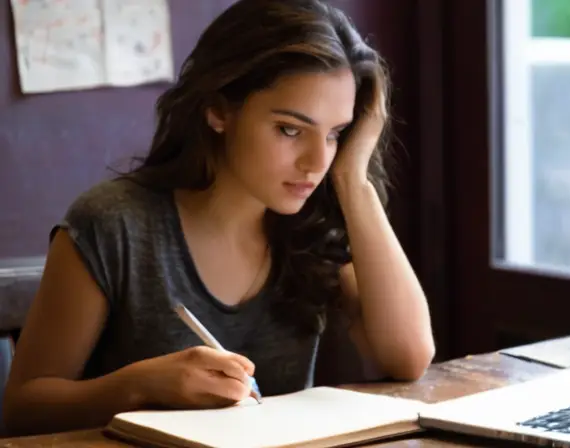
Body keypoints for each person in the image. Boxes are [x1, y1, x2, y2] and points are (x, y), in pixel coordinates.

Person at [2, 0, 435, 436]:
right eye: (290, 129)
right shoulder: (114, 223)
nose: (316, 161)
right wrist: (139, 386)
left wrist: (354, 179)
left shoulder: (315, 223)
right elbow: (21, 409)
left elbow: (409, 357)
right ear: (218, 110)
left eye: (335, 134)